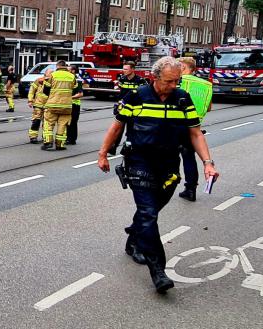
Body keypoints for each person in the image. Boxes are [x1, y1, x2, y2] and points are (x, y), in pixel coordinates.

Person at [98, 56, 218, 293]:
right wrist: (103, 154)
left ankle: (134, 237)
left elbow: (195, 133)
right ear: (155, 77)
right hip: (139, 161)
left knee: (150, 212)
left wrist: (208, 163)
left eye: (178, 81)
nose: (174, 86)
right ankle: (158, 271)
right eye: (170, 81)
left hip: (169, 165)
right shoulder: (137, 97)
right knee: (148, 212)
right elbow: (117, 126)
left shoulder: (183, 99)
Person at [177, 57, 213, 202]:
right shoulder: (207, 85)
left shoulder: (180, 81)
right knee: (189, 158)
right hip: (194, 127)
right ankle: (190, 189)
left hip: (176, 123)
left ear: (184, 67)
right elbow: (209, 108)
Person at [42, 61, 78, 150]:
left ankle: (48, 143)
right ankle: (60, 144)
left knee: (48, 123)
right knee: (62, 125)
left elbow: (45, 90)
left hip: (52, 104)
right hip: (67, 106)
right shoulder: (72, 76)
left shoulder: (53, 75)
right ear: (65, 66)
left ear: (57, 66)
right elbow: (75, 90)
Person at [27, 68, 52, 144]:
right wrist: (30, 100)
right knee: (36, 121)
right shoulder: (38, 80)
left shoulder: (53, 81)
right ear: (45, 74)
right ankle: (33, 137)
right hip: (38, 104)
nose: (51, 75)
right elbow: (32, 91)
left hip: (48, 105)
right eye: (50, 73)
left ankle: (46, 137)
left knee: (47, 123)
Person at [67, 65, 84, 145]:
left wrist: (69, 97)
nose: (67, 71)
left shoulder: (78, 80)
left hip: (75, 105)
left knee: (73, 122)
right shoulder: (68, 79)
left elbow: (80, 94)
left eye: (68, 69)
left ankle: (72, 139)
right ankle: (67, 138)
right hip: (67, 104)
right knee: (66, 121)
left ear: (73, 71)